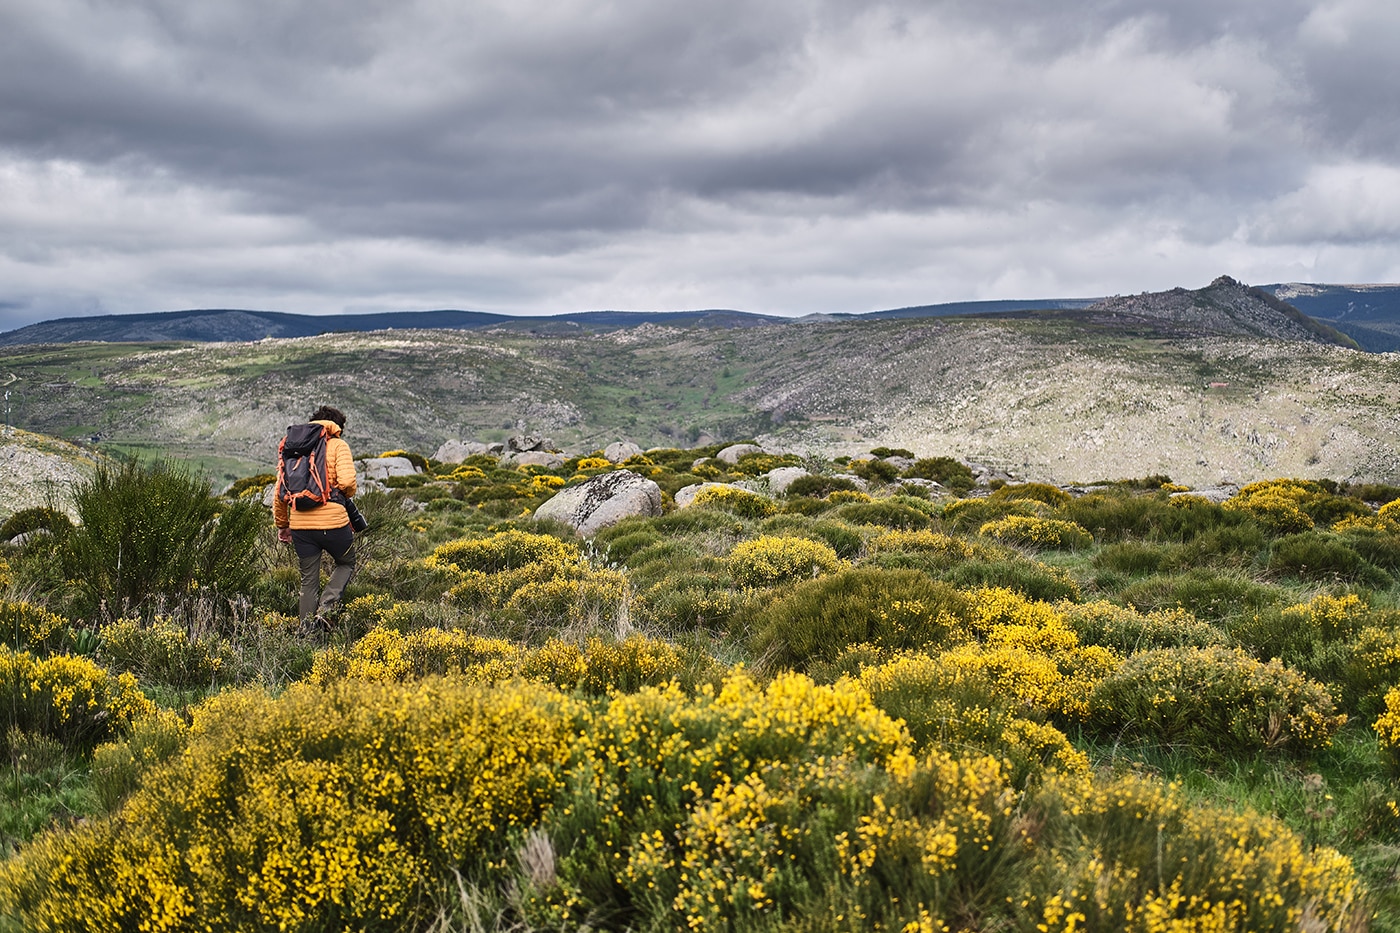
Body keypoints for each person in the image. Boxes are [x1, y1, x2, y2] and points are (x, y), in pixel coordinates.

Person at [273, 405, 358, 629]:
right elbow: (348, 482)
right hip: (334, 523)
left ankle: (306, 634)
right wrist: (341, 494)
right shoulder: (338, 445)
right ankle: (326, 609)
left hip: (300, 524)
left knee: (308, 580)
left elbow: (279, 492)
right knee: (346, 562)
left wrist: (283, 525)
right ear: (337, 426)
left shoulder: (292, 447)